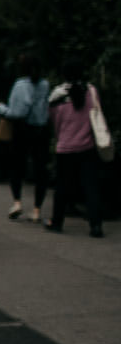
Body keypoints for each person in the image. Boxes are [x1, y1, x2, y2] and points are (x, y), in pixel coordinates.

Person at [46, 63, 107, 238]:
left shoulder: (57, 96)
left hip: (65, 148)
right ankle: (96, 225)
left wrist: (62, 137)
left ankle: (57, 222)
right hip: (87, 147)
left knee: (62, 187)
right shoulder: (91, 91)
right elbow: (97, 113)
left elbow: (54, 122)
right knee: (91, 186)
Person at [4, 57, 51, 223]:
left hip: (22, 129)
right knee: (40, 169)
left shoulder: (20, 85)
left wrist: (1, 109)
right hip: (41, 130)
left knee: (17, 166)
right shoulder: (45, 85)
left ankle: (17, 202)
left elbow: (16, 112)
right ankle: (37, 209)